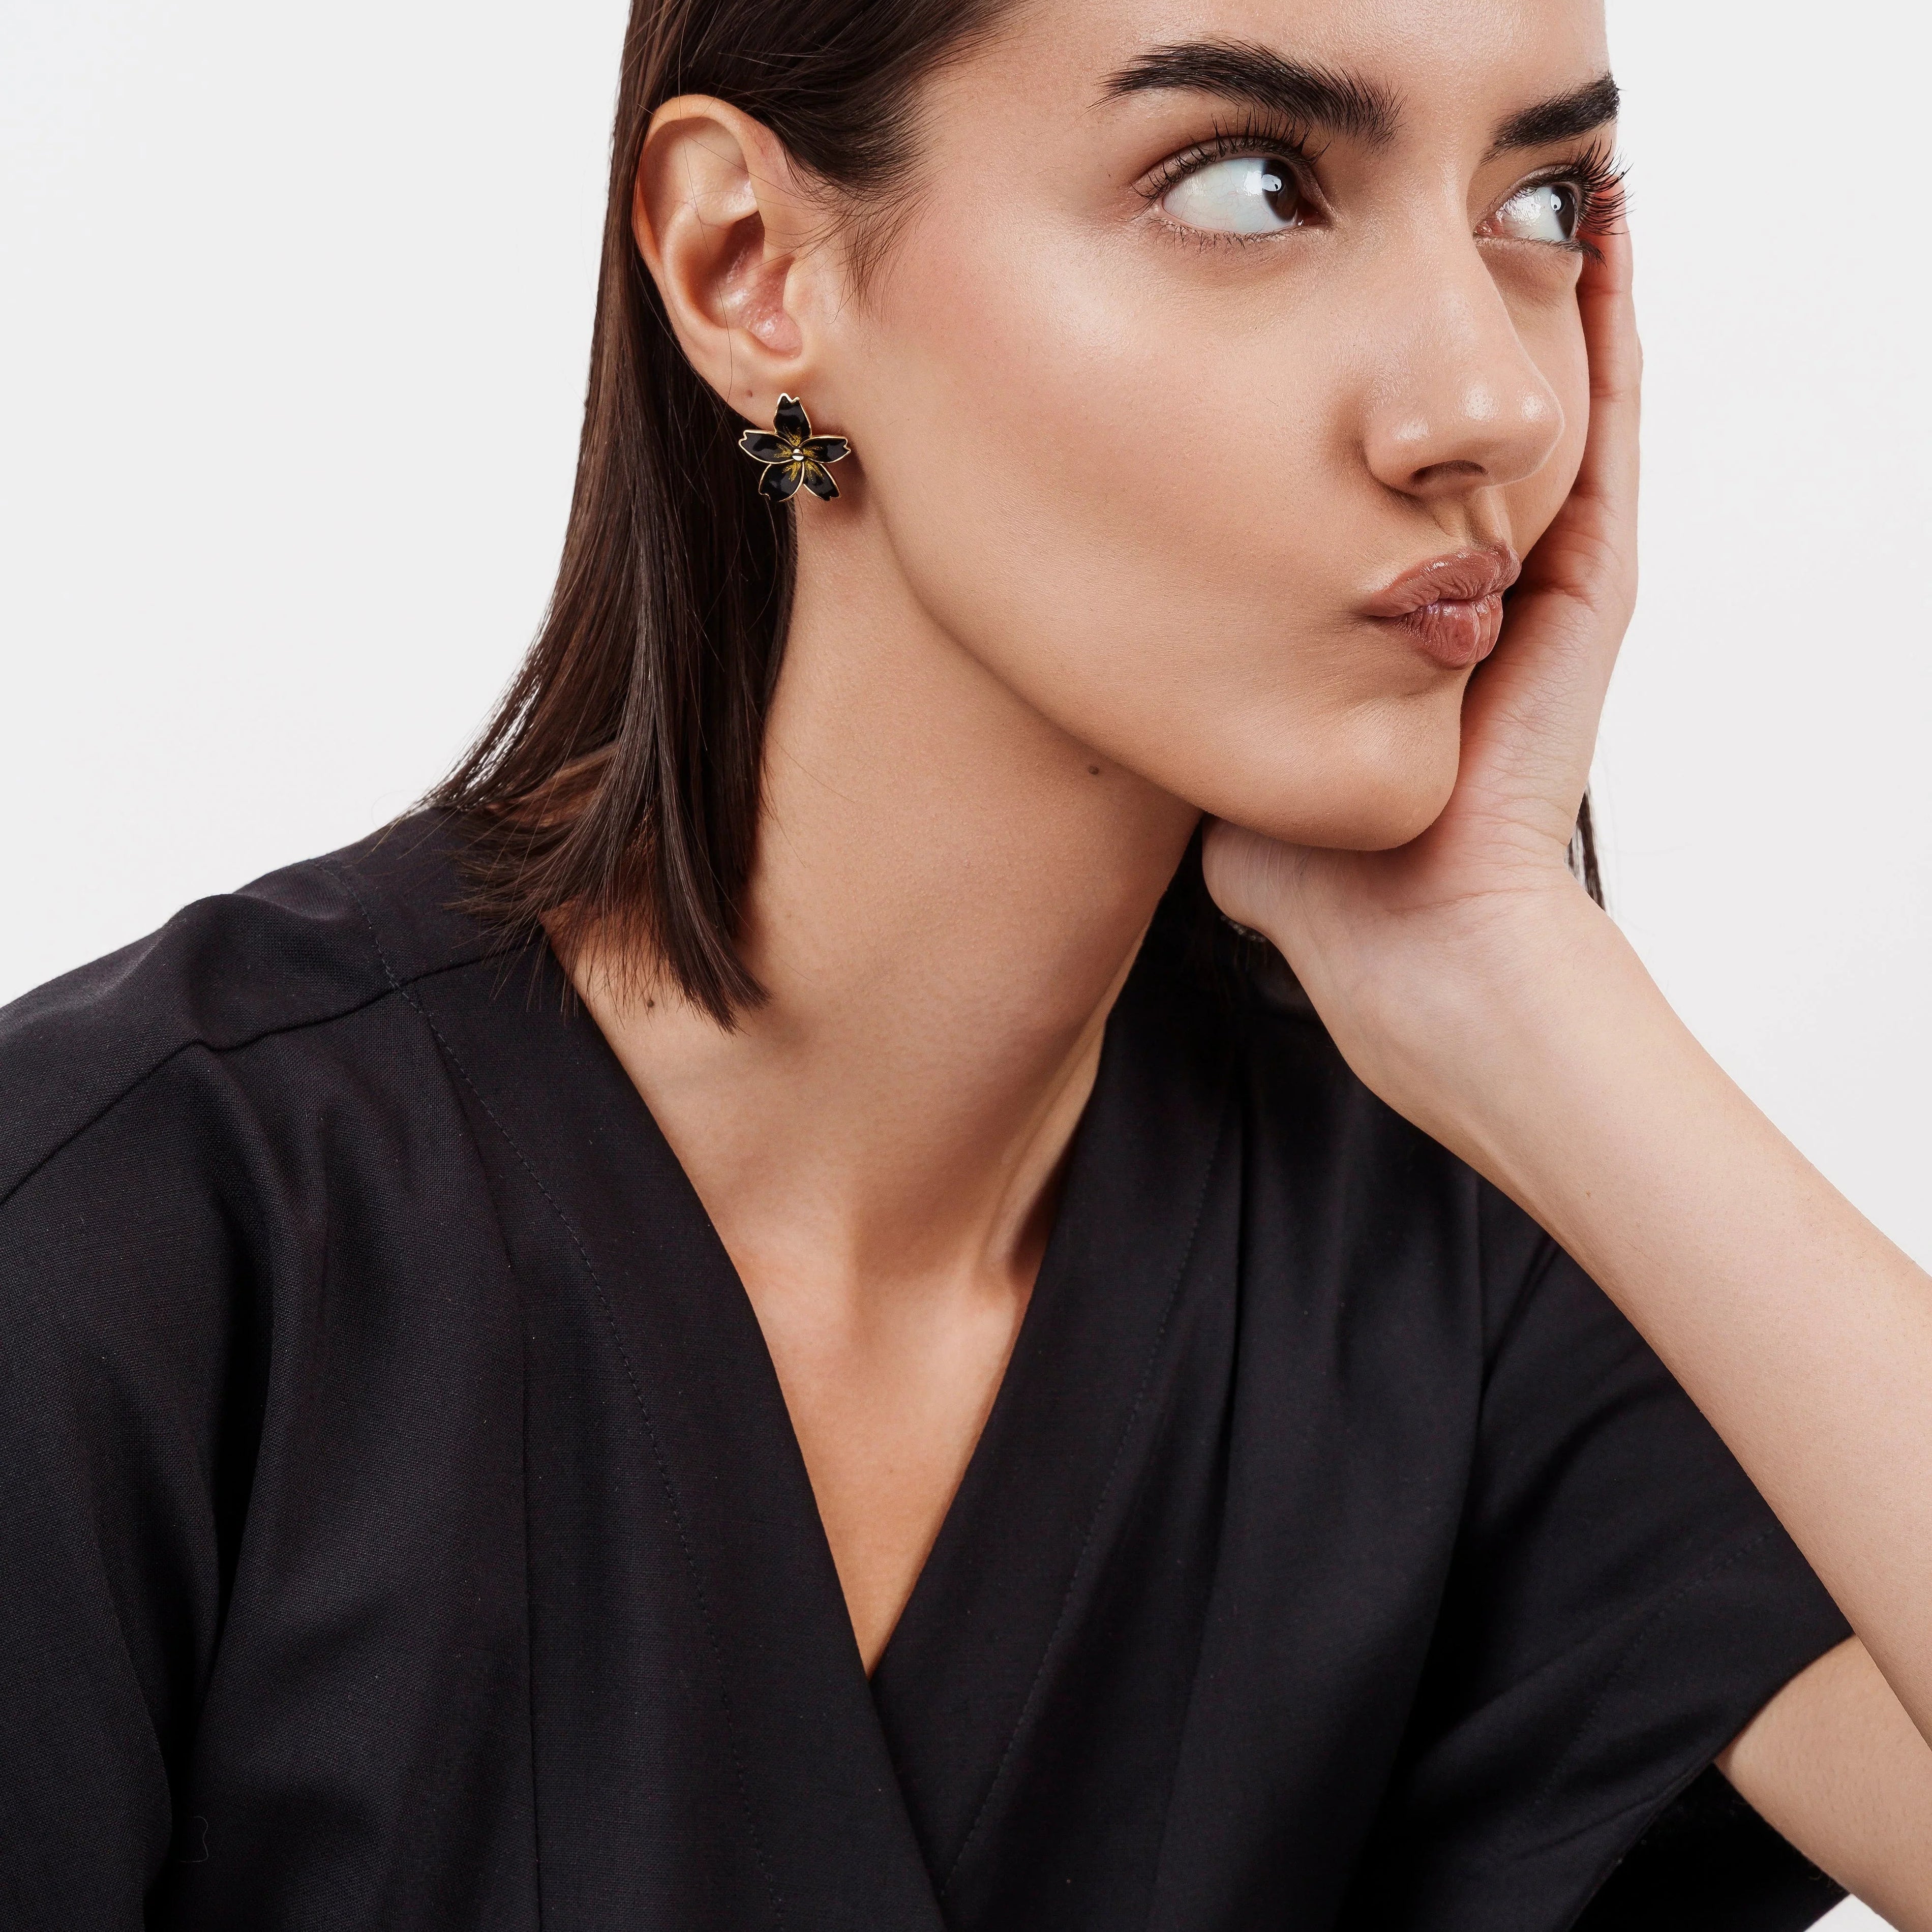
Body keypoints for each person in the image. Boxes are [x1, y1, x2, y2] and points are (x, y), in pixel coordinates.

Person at [3, 0, 1928, 1924]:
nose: (1492, 404)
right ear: (748, 268)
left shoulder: (1457, 1263)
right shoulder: (119, 1253)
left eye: (1544, 198)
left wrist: (1528, 981)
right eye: (1252, 185)